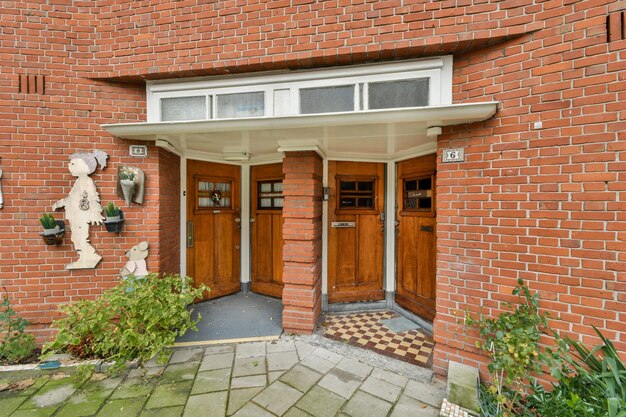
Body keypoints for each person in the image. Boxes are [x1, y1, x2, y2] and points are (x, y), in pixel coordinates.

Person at [52, 150, 108, 269]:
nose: (70, 166)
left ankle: (88, 257)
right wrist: (60, 203)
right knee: (77, 237)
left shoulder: (86, 181)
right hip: (76, 215)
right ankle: (87, 257)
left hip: (81, 215)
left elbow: (92, 198)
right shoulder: (79, 182)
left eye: (73, 164)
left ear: (85, 166)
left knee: (80, 237)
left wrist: (95, 212)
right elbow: (71, 198)